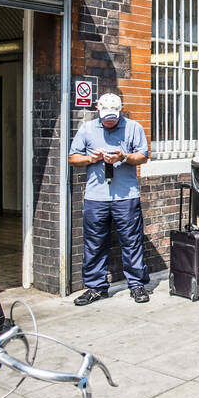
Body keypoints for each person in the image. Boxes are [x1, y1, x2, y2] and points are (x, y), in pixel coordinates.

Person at [69, 93, 152, 305]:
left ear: (121, 111)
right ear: (98, 110)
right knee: (94, 243)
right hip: (96, 197)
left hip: (126, 196)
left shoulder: (133, 128)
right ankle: (96, 288)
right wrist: (91, 158)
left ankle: (137, 285)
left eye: (113, 118)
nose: (109, 122)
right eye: (106, 118)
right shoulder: (87, 129)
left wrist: (123, 156)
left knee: (131, 241)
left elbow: (143, 155)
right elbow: (72, 158)